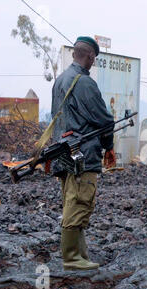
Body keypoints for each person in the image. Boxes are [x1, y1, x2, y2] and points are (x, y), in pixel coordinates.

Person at [51, 36, 116, 270]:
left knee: (72, 200)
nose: (92, 62)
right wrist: (109, 146)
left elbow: (55, 120)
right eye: (93, 58)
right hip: (82, 155)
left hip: (63, 154)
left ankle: (80, 254)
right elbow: (104, 121)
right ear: (90, 56)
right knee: (79, 202)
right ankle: (71, 257)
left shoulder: (60, 80)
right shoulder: (85, 83)